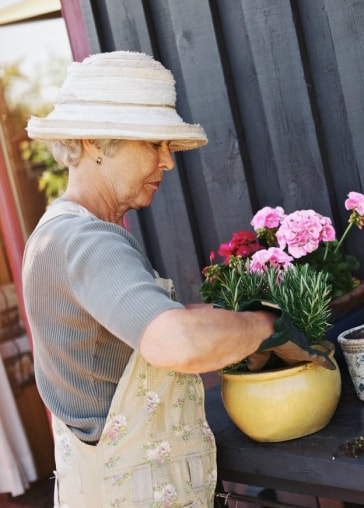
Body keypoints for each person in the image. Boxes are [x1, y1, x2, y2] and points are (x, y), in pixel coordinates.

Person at [22, 51, 332, 507]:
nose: (168, 162)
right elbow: (175, 341)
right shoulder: (86, 241)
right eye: (153, 144)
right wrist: (267, 325)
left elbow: (145, 331)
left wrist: (227, 331)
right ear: (92, 142)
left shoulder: (57, 234)